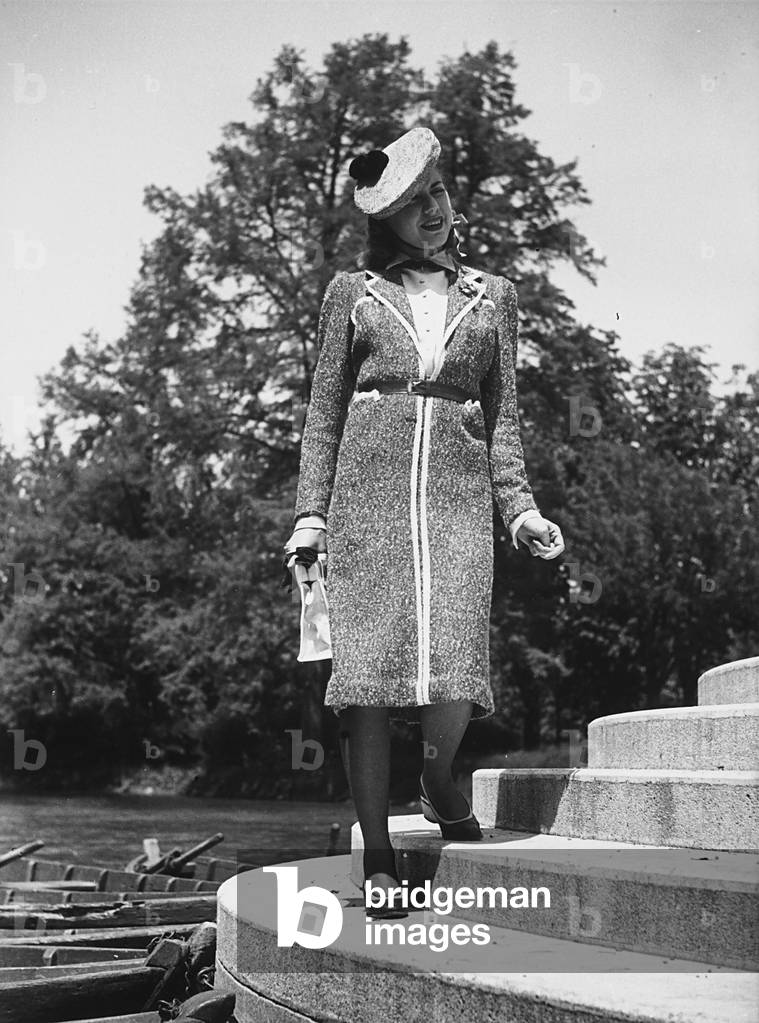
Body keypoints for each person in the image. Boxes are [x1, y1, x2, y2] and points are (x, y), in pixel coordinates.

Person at [283, 126, 564, 917]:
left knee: (454, 659)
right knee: (366, 685)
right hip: (364, 500)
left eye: (435, 193)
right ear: (388, 223)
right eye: (411, 207)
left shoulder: (494, 296)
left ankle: (439, 780)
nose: (432, 211)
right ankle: (375, 849)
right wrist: (310, 516)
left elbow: (504, 419)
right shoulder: (352, 293)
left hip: (458, 499)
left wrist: (521, 510)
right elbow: (320, 416)